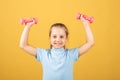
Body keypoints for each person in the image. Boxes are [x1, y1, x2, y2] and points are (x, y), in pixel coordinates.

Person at [19, 15, 94, 80]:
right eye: (54, 36)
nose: (58, 40)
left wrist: (85, 24)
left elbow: (90, 43)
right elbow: (23, 45)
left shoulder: (71, 54)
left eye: (61, 37)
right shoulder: (43, 54)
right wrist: (27, 27)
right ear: (50, 38)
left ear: (66, 38)